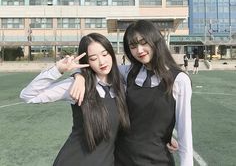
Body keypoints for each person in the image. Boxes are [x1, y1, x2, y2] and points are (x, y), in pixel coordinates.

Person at [71, 20, 193, 166]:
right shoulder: (128, 72)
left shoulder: (179, 80)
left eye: (144, 42)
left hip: (157, 159)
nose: (139, 50)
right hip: (122, 158)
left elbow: (184, 131)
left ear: (155, 41)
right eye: (133, 46)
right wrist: (78, 75)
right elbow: (99, 67)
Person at [20, 33, 130, 166]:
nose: (102, 62)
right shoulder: (77, 86)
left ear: (111, 53)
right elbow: (28, 96)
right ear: (87, 62)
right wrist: (58, 70)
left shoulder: (122, 83)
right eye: (93, 58)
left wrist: (78, 74)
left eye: (105, 54)